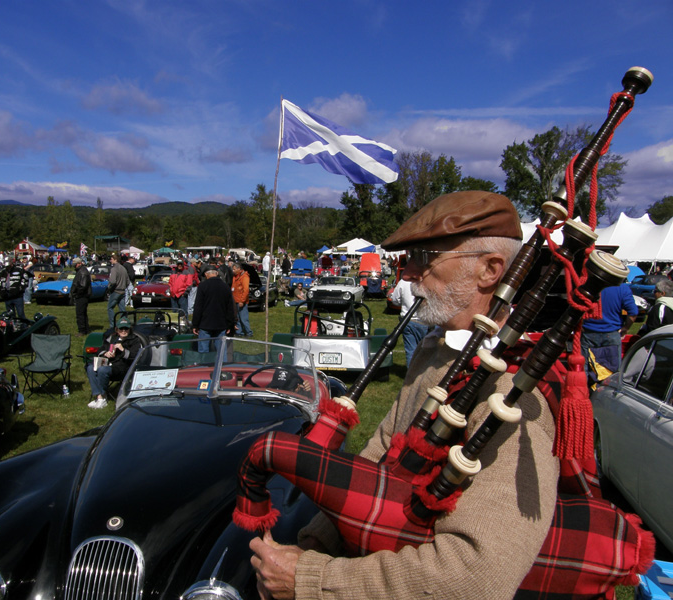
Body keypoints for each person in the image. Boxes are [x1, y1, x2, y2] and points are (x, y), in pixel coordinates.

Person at [250, 191, 558, 600]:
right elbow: (377, 461)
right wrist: (315, 544)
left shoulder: (512, 391)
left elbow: (475, 576)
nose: (407, 274)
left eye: (424, 258)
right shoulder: (436, 349)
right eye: (405, 259)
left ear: (489, 270)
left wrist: (312, 579)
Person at [580, 282, 638, 383]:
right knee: (612, 370)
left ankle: (584, 393)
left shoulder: (587, 285)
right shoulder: (622, 288)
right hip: (611, 334)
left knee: (584, 369)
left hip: (589, 333)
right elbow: (633, 313)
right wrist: (626, 328)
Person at [86, 316, 144, 410]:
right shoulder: (112, 338)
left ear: (130, 329)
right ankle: (99, 396)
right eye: (121, 329)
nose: (124, 331)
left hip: (123, 367)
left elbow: (135, 357)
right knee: (90, 368)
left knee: (102, 370)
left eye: (126, 328)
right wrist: (105, 353)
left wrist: (123, 350)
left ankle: (102, 397)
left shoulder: (134, 340)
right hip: (108, 363)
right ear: (117, 329)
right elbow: (100, 350)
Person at [387, 272, 429, 367]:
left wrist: (404, 302)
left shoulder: (404, 282)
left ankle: (412, 375)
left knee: (411, 350)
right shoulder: (428, 280)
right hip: (423, 320)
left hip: (408, 320)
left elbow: (395, 299)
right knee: (425, 350)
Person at [191, 264, 235, 353]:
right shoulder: (225, 286)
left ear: (207, 275)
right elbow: (230, 307)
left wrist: (195, 324)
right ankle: (222, 366)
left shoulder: (203, 286)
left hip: (205, 323)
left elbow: (198, 306)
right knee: (221, 352)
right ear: (217, 274)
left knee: (204, 352)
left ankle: (205, 366)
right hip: (221, 323)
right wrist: (230, 324)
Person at [106, 253, 130, 327]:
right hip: (123, 291)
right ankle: (124, 324)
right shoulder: (123, 268)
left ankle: (112, 325)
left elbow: (113, 281)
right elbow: (128, 281)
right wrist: (124, 286)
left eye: (112, 259)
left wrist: (109, 287)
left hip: (116, 291)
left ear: (115, 260)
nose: (110, 260)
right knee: (122, 309)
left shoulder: (114, 269)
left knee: (110, 308)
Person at [70, 257, 92, 336]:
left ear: (79, 264)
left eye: (75, 265)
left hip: (82, 296)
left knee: (80, 314)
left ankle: (82, 330)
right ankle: (86, 329)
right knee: (83, 313)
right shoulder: (81, 271)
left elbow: (83, 286)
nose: (74, 266)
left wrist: (76, 293)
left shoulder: (82, 272)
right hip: (82, 295)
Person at [232, 262, 252, 337]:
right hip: (235, 300)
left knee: (243, 318)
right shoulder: (235, 276)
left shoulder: (245, 277)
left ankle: (249, 332)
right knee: (237, 318)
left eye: (234, 269)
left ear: (239, 269)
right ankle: (239, 332)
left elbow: (246, 290)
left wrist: (242, 301)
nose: (233, 270)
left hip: (241, 301)